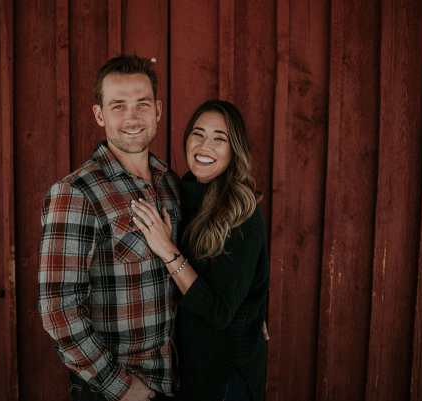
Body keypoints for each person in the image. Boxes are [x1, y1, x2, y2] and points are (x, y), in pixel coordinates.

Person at [39, 54, 181, 401]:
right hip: (117, 390)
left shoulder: (170, 184)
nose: (132, 117)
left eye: (142, 104)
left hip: (174, 379)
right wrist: (119, 386)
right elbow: (58, 308)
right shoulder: (76, 192)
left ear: (158, 110)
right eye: (118, 106)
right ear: (99, 114)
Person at [130, 100, 269, 401]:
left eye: (220, 138)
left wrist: (167, 250)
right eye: (198, 133)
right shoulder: (178, 194)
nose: (205, 146)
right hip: (186, 369)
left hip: (226, 375)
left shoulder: (242, 211)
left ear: (235, 151)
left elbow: (220, 312)